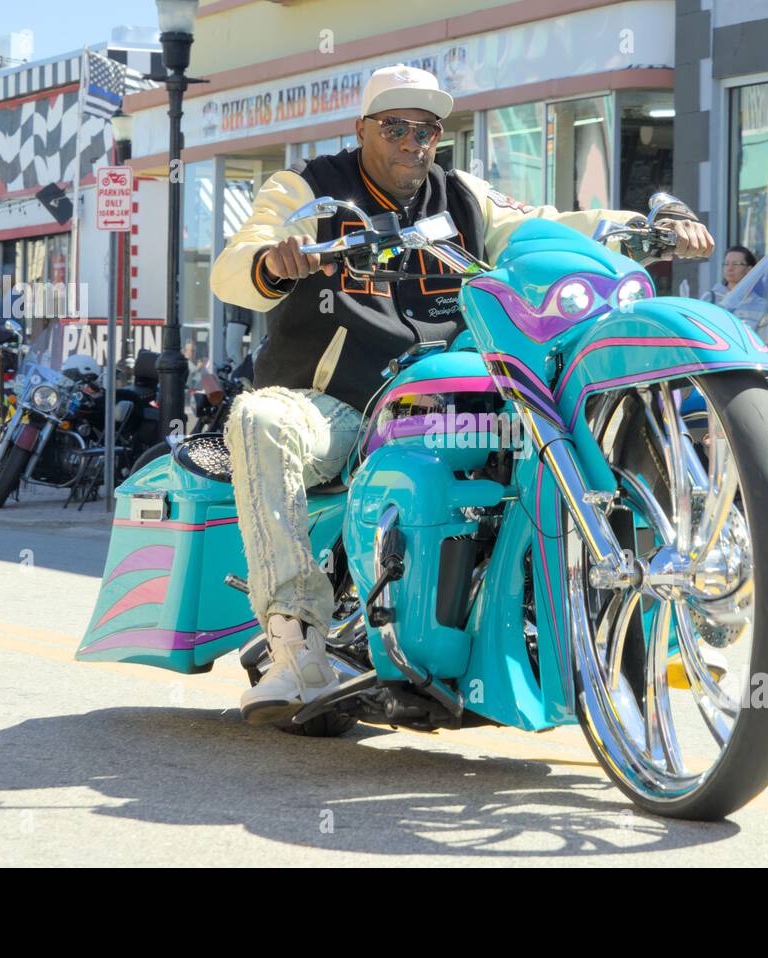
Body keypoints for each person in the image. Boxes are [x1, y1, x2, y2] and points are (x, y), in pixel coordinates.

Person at [210, 64, 715, 724]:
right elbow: (235, 264)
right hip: (338, 406)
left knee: (597, 414)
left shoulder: (462, 197)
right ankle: (296, 644)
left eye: (425, 130)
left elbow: (554, 222)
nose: (411, 141)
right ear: (363, 130)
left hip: (449, 400)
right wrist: (274, 258)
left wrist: (650, 221)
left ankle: (669, 625)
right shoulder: (309, 187)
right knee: (258, 419)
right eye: (394, 126)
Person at [702, 245, 768, 334]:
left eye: (735, 264)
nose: (730, 268)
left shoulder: (760, 305)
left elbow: (765, 344)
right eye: (726, 264)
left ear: (749, 269)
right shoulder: (710, 298)